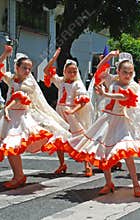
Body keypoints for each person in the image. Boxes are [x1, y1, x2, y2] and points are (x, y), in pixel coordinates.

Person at [64, 51, 140, 197]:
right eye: (125, 72)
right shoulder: (112, 80)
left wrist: (106, 94)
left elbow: (123, 96)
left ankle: (136, 184)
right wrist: (110, 56)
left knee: (127, 155)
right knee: (104, 153)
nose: (128, 75)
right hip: (107, 121)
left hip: (122, 122)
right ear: (118, 71)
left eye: (130, 72)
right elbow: (99, 68)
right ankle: (108, 183)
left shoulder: (132, 86)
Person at [0, 45, 70, 189]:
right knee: (10, 149)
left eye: (29, 69)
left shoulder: (29, 83)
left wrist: (7, 107)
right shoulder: (12, 78)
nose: (27, 71)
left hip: (20, 118)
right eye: (24, 68)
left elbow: (19, 98)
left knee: (11, 147)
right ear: (17, 68)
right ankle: (18, 175)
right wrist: (5, 54)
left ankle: (19, 176)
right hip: (9, 118)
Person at [43, 47, 94, 177]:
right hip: (60, 111)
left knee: (80, 138)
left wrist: (72, 110)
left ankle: (87, 164)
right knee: (59, 138)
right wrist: (54, 59)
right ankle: (62, 164)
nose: (71, 74)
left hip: (72, 113)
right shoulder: (61, 81)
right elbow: (46, 71)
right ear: (64, 71)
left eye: (74, 71)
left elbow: (83, 101)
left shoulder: (78, 84)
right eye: (69, 71)